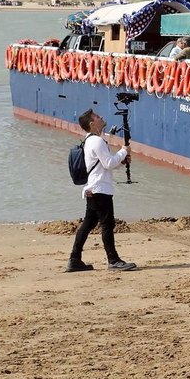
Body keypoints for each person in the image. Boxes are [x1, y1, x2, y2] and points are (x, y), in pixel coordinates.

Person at [67, 110, 137, 272]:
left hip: (92, 188)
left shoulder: (89, 141)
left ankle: (74, 259)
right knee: (107, 224)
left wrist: (122, 161)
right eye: (98, 117)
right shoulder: (97, 141)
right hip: (100, 189)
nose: (101, 117)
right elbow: (108, 163)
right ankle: (113, 260)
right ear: (92, 124)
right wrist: (124, 151)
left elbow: (105, 165)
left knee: (88, 224)